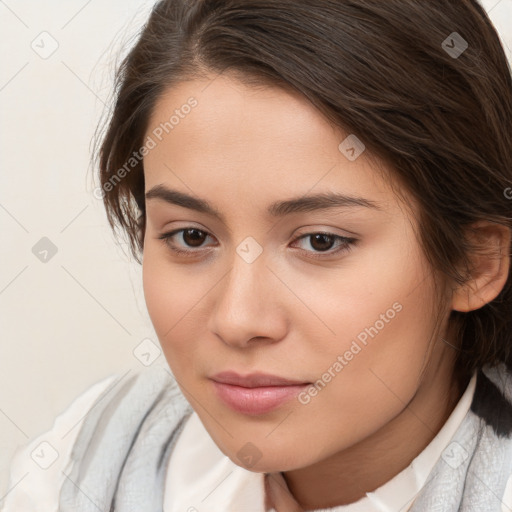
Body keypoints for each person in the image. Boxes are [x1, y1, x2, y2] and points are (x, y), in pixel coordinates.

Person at [3, 0, 512, 510]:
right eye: (192, 237)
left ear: (475, 262)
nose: (238, 320)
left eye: (321, 241)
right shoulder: (82, 463)